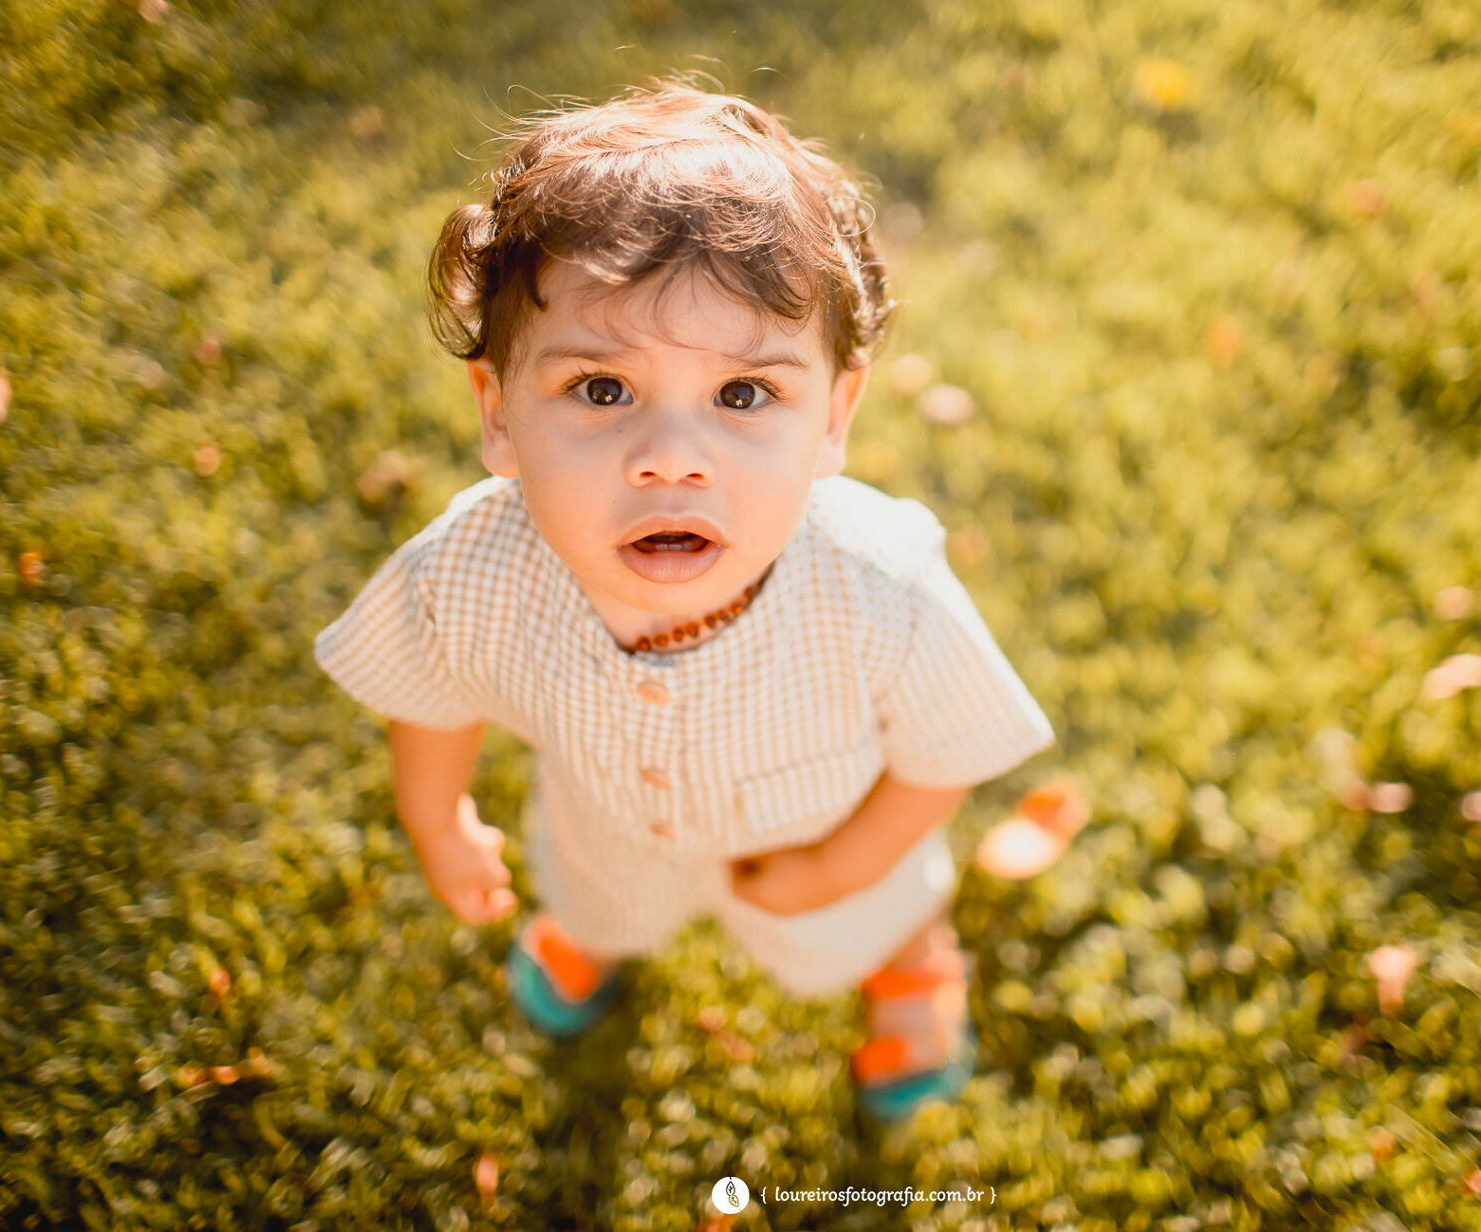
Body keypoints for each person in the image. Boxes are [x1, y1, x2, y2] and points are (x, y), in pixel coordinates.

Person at [314, 79, 1055, 1123]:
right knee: (601, 894)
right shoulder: (470, 571)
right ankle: (598, 932)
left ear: (833, 418)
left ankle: (911, 960)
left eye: (742, 394)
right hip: (610, 833)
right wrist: (435, 820)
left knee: (870, 916)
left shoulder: (878, 584)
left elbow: (945, 752)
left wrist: (837, 868)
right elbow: (429, 694)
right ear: (498, 411)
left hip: (818, 848)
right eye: (602, 389)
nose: (671, 458)